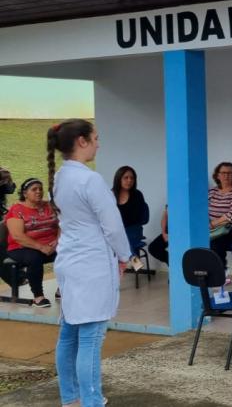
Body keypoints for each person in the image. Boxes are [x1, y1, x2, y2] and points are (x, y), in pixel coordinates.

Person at [49, 119, 131, 407]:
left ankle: (71, 398)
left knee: (70, 332)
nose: (99, 143)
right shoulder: (89, 179)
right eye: (96, 138)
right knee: (91, 338)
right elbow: (112, 226)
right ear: (81, 141)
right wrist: (125, 256)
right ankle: (92, 401)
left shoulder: (60, 176)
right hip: (92, 263)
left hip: (70, 260)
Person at [3, 178, 61, 307]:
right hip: (21, 247)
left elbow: (62, 225)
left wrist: (57, 242)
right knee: (34, 258)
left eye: (40, 189)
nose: (38, 192)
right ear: (25, 193)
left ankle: (61, 290)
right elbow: (18, 236)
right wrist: (41, 247)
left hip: (51, 245)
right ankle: (38, 297)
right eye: (34, 189)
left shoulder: (50, 206)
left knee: (70, 253)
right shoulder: (17, 210)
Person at [112, 166, 149, 256]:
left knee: (126, 240)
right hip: (116, 230)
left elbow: (137, 217)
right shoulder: (110, 195)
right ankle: (133, 264)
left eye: (132, 178)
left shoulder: (137, 195)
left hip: (133, 229)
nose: (129, 180)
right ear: (119, 179)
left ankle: (136, 265)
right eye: (126, 178)